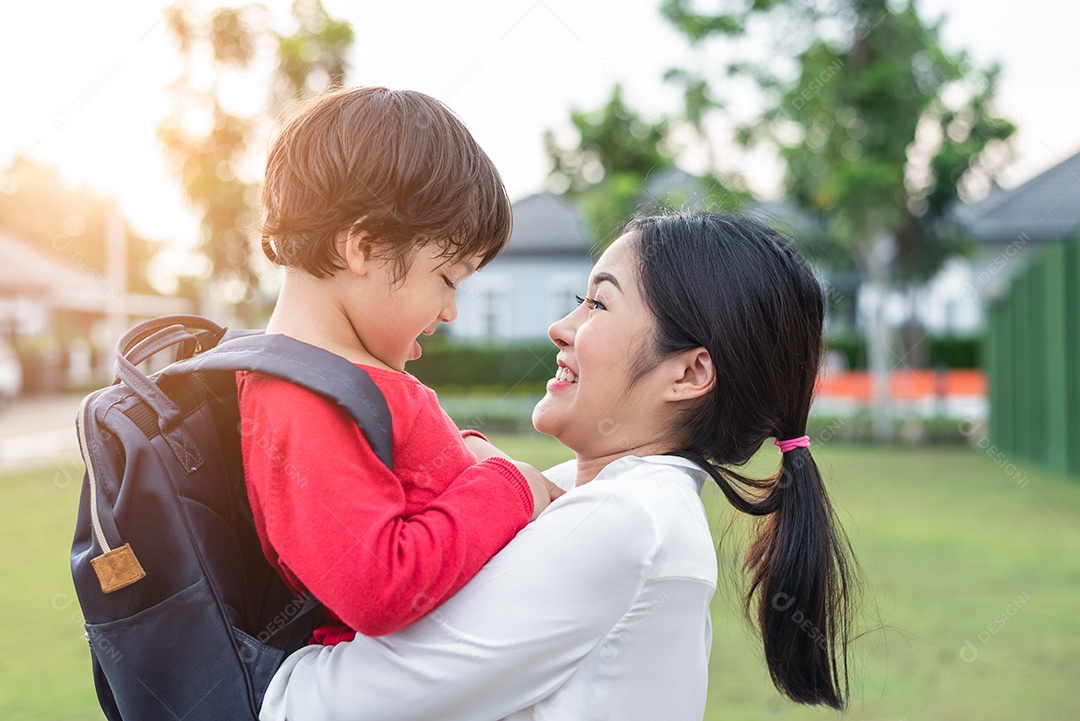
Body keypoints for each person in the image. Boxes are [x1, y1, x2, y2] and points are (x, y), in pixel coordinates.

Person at [258, 212, 857, 720]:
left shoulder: (628, 520)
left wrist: (229, 651)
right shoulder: (589, 494)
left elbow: (332, 708)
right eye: (580, 300)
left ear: (689, 373)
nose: (561, 328)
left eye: (599, 302)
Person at [238, 86, 562, 646]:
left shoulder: (347, 383)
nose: (450, 311)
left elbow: (408, 475)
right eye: (446, 279)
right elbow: (379, 585)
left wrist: (471, 454)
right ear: (363, 248)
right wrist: (511, 487)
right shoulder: (301, 398)